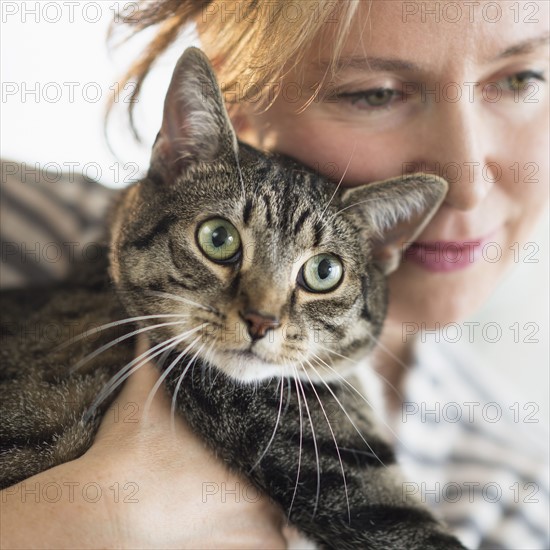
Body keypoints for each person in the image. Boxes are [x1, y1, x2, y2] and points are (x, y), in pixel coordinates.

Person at [1, 1, 548, 548]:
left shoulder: (519, 505)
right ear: (239, 86)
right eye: (375, 92)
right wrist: (74, 524)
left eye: (522, 78)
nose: (467, 182)